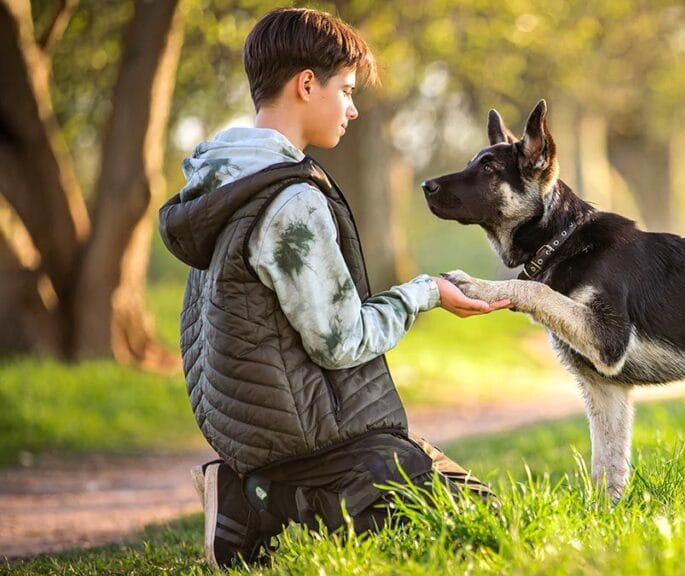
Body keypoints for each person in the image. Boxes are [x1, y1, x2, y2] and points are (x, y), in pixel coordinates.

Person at [158, 8, 508, 569]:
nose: (353, 108)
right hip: (315, 442)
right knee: (483, 521)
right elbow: (340, 343)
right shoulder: (289, 200)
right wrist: (428, 293)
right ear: (305, 84)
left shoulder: (221, 181)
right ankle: (263, 501)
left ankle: (253, 497)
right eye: (345, 90)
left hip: (259, 435)